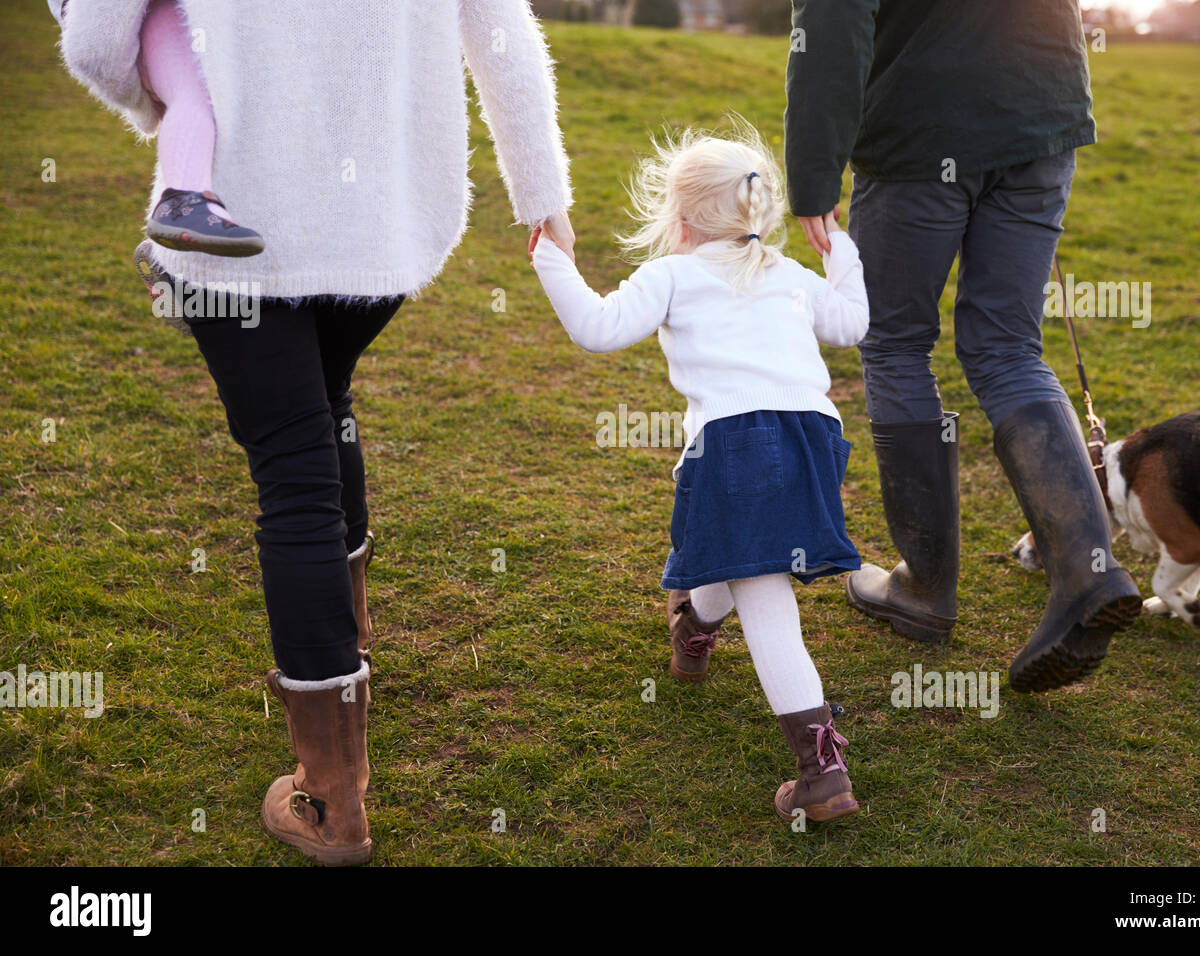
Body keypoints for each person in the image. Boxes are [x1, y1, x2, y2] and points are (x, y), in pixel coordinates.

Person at [59, 0, 576, 864]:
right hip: (381, 226)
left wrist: (167, 102)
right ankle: (349, 637)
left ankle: (331, 798)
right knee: (324, 409)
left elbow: (96, 37)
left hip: (232, 226)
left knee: (293, 465)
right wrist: (544, 198)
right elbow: (504, 37)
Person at [784, 0, 1142, 692]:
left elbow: (831, 17)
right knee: (1009, 348)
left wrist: (813, 171)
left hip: (923, 126)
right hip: (1039, 109)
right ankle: (1086, 578)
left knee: (893, 343)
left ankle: (924, 586)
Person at [531, 124, 868, 823]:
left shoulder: (673, 274)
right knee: (740, 557)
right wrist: (840, 250)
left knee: (767, 595)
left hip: (738, 443)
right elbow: (852, 324)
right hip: (814, 438)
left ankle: (821, 773)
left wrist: (551, 259)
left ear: (679, 217)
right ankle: (692, 629)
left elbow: (597, 329)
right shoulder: (790, 273)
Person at [49, 0, 263, 255]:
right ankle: (184, 202)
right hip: (163, 12)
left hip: (192, 16)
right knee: (195, 97)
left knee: (206, 105)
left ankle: (171, 237)